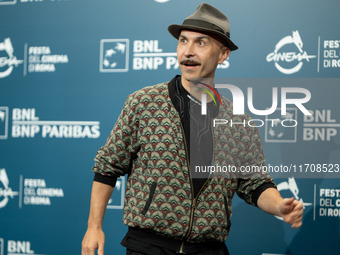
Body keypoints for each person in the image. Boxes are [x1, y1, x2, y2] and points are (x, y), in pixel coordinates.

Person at [82, 3, 303, 255]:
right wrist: (93, 227)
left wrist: (279, 206)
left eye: (201, 43)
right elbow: (107, 166)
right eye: (183, 41)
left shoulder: (240, 121)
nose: (187, 52)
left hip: (209, 249)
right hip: (148, 246)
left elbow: (255, 184)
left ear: (223, 54)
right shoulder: (143, 103)